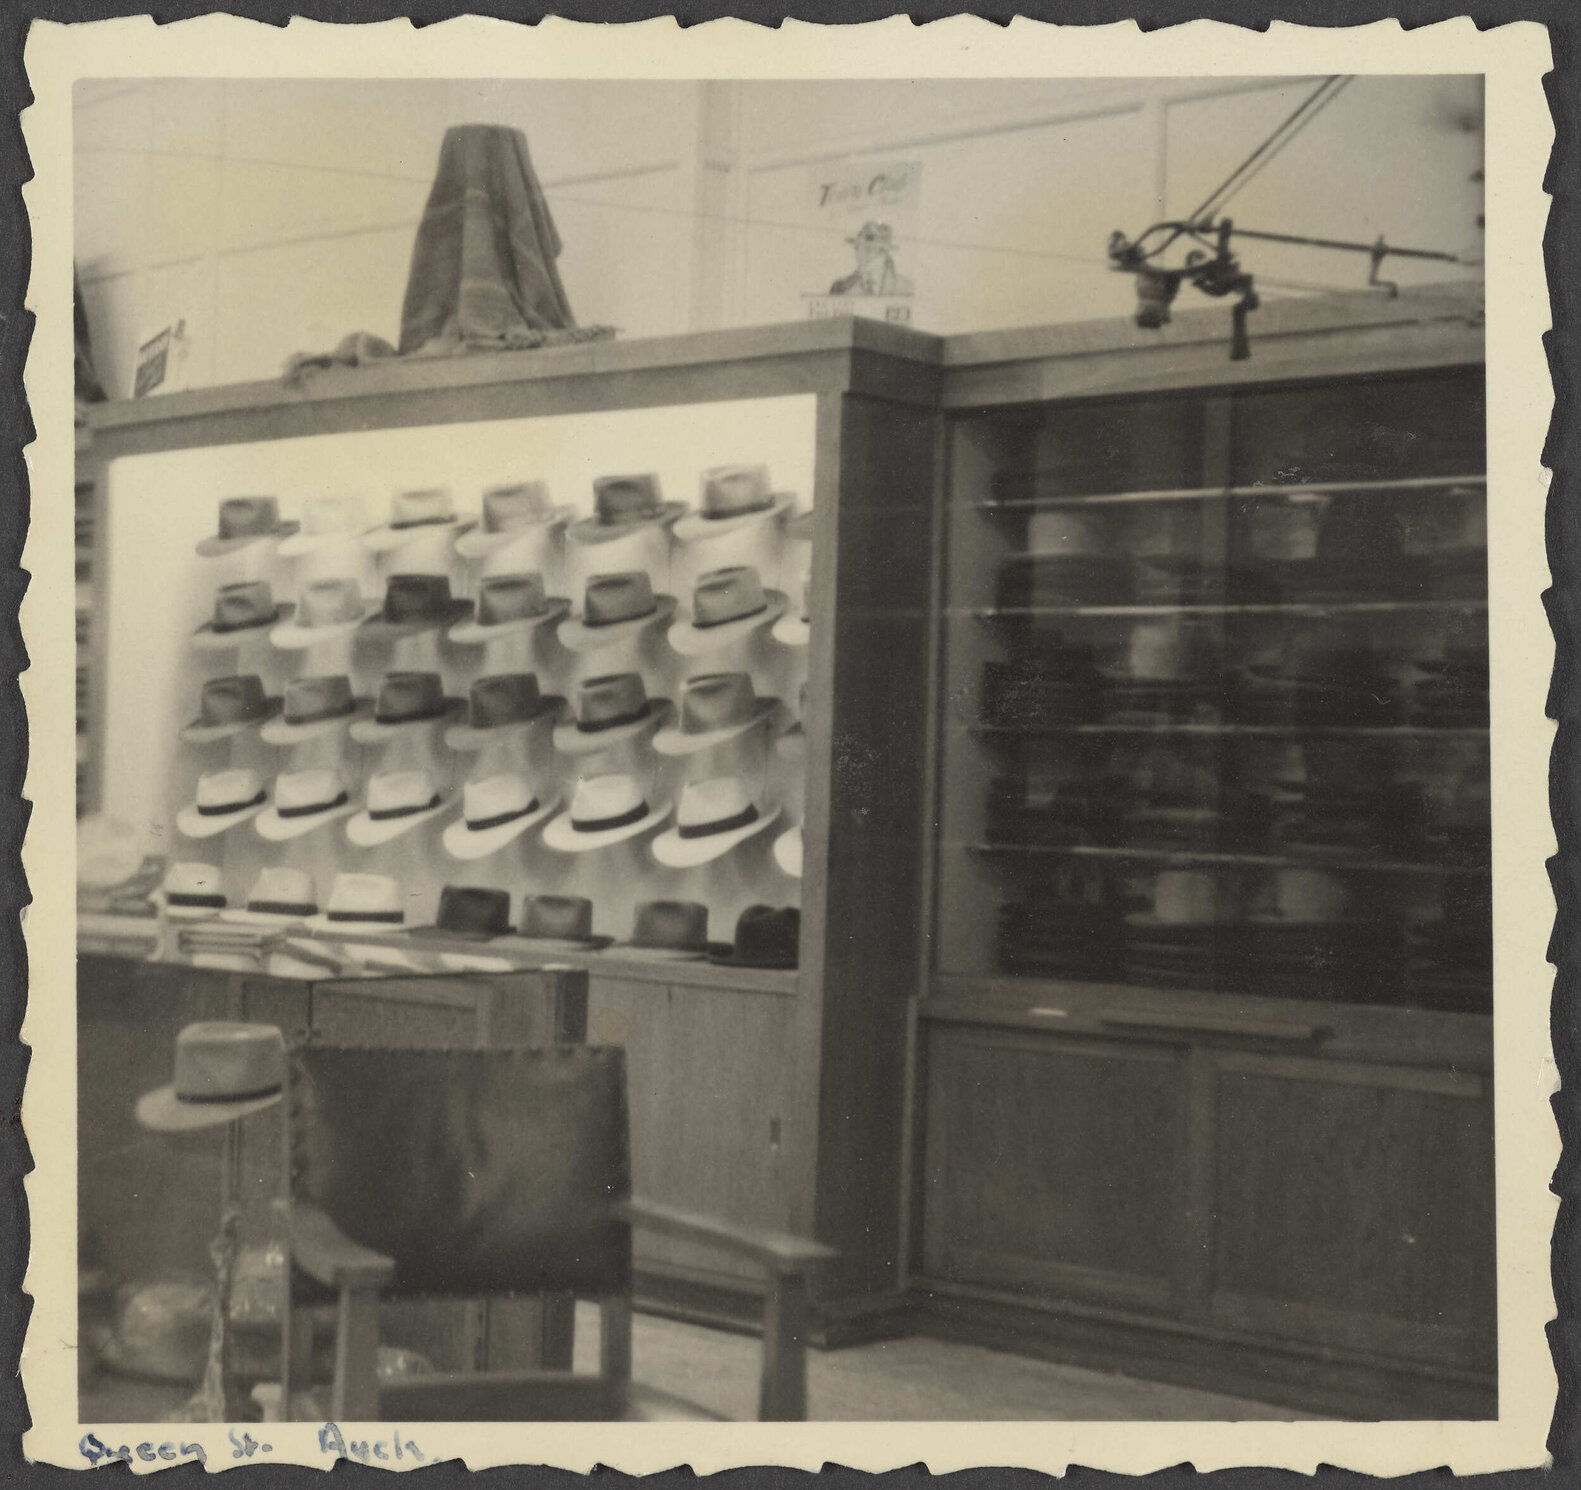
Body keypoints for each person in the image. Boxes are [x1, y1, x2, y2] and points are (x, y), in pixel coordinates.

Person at [829, 221, 914, 297]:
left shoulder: (906, 288)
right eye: (857, 248)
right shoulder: (841, 288)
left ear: (884, 254)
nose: (859, 256)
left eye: (869, 250)